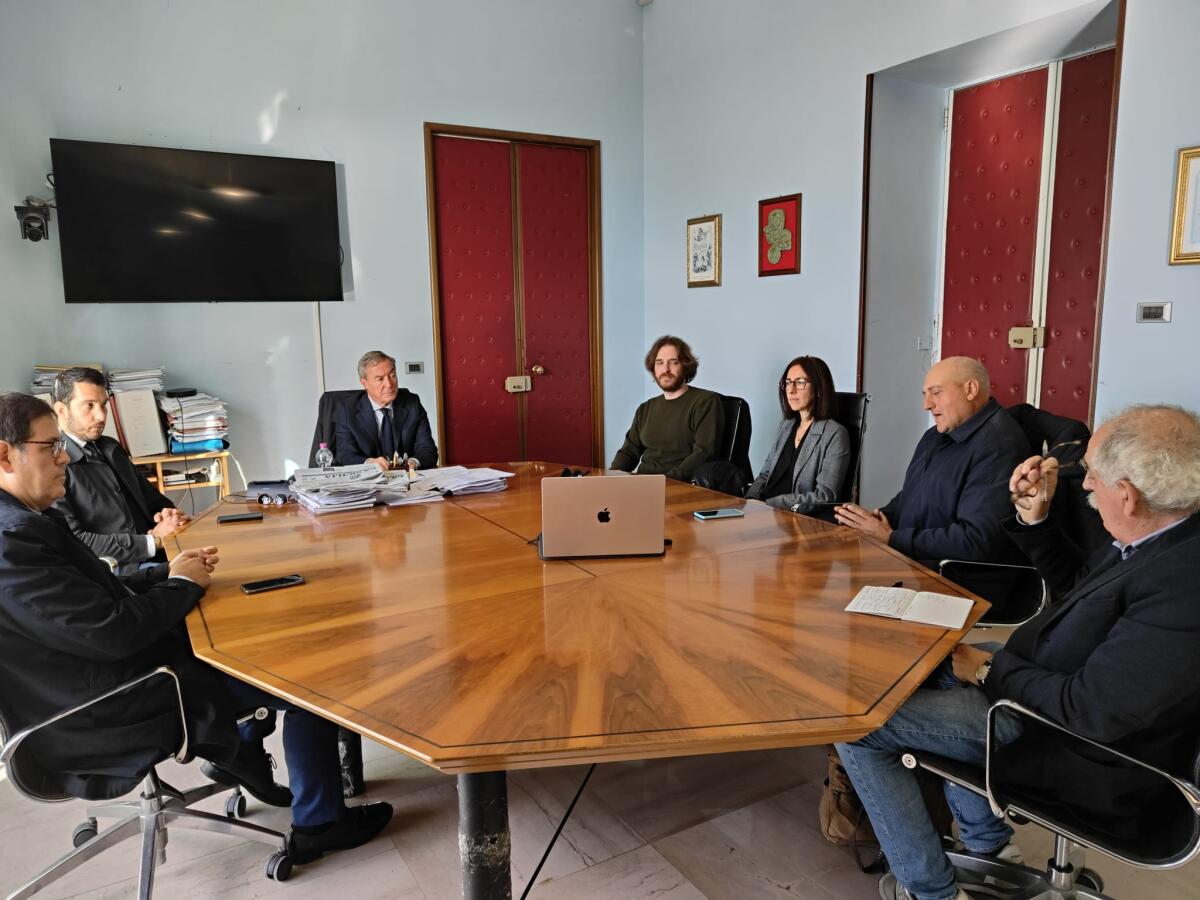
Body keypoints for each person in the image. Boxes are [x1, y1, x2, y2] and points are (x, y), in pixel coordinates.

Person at [0, 393, 393, 864]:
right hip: (112, 707)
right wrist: (182, 587)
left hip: (96, 687)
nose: (63, 456)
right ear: (5, 454)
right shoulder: (12, 543)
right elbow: (112, 632)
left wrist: (166, 575)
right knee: (309, 672)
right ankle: (320, 821)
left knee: (250, 629)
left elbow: (96, 591)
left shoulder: (22, 523)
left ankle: (242, 750)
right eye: (50, 447)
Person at [835, 404, 1200, 900]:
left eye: (1091, 475)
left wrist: (988, 670)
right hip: (1041, 686)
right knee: (927, 666)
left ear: (1128, 495)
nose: (1085, 486)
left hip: (1069, 744)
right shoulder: (1160, 534)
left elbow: (1087, 713)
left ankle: (932, 892)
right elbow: (1083, 590)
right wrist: (1040, 522)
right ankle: (990, 845)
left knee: (859, 724)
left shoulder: (1183, 584)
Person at [834, 356, 1028, 567]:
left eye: (936, 393)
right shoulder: (934, 436)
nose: (926, 405)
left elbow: (977, 539)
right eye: (925, 395)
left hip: (957, 580)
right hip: (911, 560)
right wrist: (876, 520)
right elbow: (913, 494)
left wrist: (892, 538)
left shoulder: (999, 446)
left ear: (970, 390)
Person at [50, 367, 189, 576]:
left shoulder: (111, 447)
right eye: (89, 405)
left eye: (103, 405)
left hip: (161, 553)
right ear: (61, 410)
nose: (101, 415)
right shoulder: (53, 464)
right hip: (120, 571)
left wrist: (167, 515)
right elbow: (74, 541)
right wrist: (153, 541)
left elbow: (152, 500)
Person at [610, 335, 724, 480]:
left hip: (680, 485)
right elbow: (629, 452)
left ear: (685, 365)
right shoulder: (645, 408)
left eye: (674, 362)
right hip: (643, 485)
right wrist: (612, 477)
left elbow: (705, 452)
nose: (666, 369)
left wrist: (667, 482)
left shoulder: (705, 401)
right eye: (659, 363)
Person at [745, 355, 850, 513]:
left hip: (792, 517)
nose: (791, 390)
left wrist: (770, 504)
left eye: (800, 382)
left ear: (819, 388)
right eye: (788, 383)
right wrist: (750, 500)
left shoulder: (835, 434)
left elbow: (824, 496)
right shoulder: (786, 425)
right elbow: (765, 474)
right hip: (762, 511)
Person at [333, 351, 438, 471]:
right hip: (368, 484)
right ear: (364, 383)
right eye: (380, 379)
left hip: (406, 482)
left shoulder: (412, 403)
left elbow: (428, 449)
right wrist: (369, 463)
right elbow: (344, 454)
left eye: (392, 375)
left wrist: (413, 462)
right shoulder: (347, 410)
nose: (389, 384)